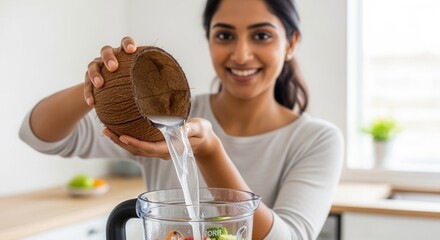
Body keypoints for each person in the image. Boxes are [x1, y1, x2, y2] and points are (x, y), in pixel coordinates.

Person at [19, 0, 344, 239]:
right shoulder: (161, 117)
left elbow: (289, 238)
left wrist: (209, 151)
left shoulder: (316, 140)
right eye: (224, 36)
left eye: (261, 36)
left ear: (292, 43)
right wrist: (94, 86)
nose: (241, 54)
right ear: (209, 39)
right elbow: (39, 135)